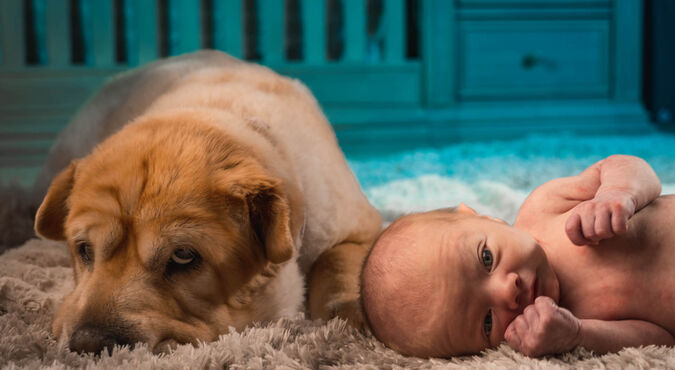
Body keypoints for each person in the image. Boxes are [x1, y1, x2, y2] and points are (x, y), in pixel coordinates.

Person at [360, 155, 675, 357]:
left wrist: (618, 193)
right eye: (487, 322)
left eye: (486, 259)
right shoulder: (569, 323)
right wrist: (579, 334)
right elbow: (661, 341)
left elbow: (630, 167)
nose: (506, 292)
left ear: (483, 218)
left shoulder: (543, 209)